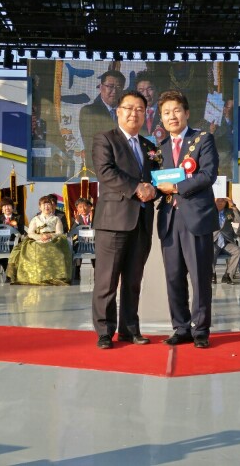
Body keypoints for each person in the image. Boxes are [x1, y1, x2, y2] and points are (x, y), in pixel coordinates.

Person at [90, 90, 158, 349]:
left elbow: (157, 178)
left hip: (142, 220)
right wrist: (136, 187)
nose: (134, 113)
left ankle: (130, 329)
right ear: (118, 112)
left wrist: (156, 189)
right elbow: (105, 172)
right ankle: (104, 332)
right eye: (129, 108)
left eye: (140, 109)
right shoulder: (105, 139)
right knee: (107, 281)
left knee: (133, 280)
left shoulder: (149, 147)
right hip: (113, 221)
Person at [155, 90, 219, 349]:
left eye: (176, 111)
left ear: (187, 113)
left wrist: (176, 188)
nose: (172, 116)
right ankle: (181, 328)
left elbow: (208, 174)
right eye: (166, 113)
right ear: (161, 118)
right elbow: (156, 182)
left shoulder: (203, 139)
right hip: (169, 219)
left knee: (200, 278)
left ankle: (200, 329)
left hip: (196, 218)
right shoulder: (159, 149)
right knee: (173, 277)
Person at [6, 194, 73, 285]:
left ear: (52, 206)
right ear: (40, 207)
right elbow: (30, 233)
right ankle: (35, 277)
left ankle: (54, 276)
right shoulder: (35, 219)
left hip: (53, 240)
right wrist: (40, 237)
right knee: (30, 250)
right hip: (37, 239)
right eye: (44, 204)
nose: (46, 206)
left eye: (48, 204)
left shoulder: (56, 219)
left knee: (56, 250)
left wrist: (50, 236)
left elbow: (59, 232)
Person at [79, 70, 125, 171]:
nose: (114, 91)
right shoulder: (89, 111)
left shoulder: (127, 112)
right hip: (98, 170)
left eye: (118, 87)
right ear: (101, 87)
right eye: (110, 86)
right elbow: (92, 143)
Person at [0, 198, 25, 278]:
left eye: (9, 206)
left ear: (13, 207)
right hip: (1, 243)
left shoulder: (18, 217)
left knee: (14, 250)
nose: (7, 208)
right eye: (4, 206)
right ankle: (7, 270)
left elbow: (21, 232)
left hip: (14, 242)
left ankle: (10, 273)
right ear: (2, 209)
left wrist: (15, 227)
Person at [212, 198, 240, 285]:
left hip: (226, 241)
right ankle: (212, 274)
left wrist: (232, 204)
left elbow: (239, 220)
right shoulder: (209, 211)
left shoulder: (229, 211)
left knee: (237, 250)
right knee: (211, 251)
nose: (220, 203)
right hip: (213, 241)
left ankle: (228, 275)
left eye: (223, 201)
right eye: (218, 200)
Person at [67, 197, 94, 279]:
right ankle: (77, 272)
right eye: (80, 207)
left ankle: (97, 272)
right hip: (80, 242)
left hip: (94, 242)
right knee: (77, 247)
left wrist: (92, 222)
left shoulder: (95, 218)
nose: (83, 209)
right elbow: (70, 233)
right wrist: (77, 222)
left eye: (85, 206)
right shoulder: (74, 219)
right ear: (77, 209)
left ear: (90, 207)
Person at [135, 71, 163, 140]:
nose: (146, 94)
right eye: (141, 91)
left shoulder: (164, 110)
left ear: (157, 90)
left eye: (150, 89)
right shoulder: (134, 113)